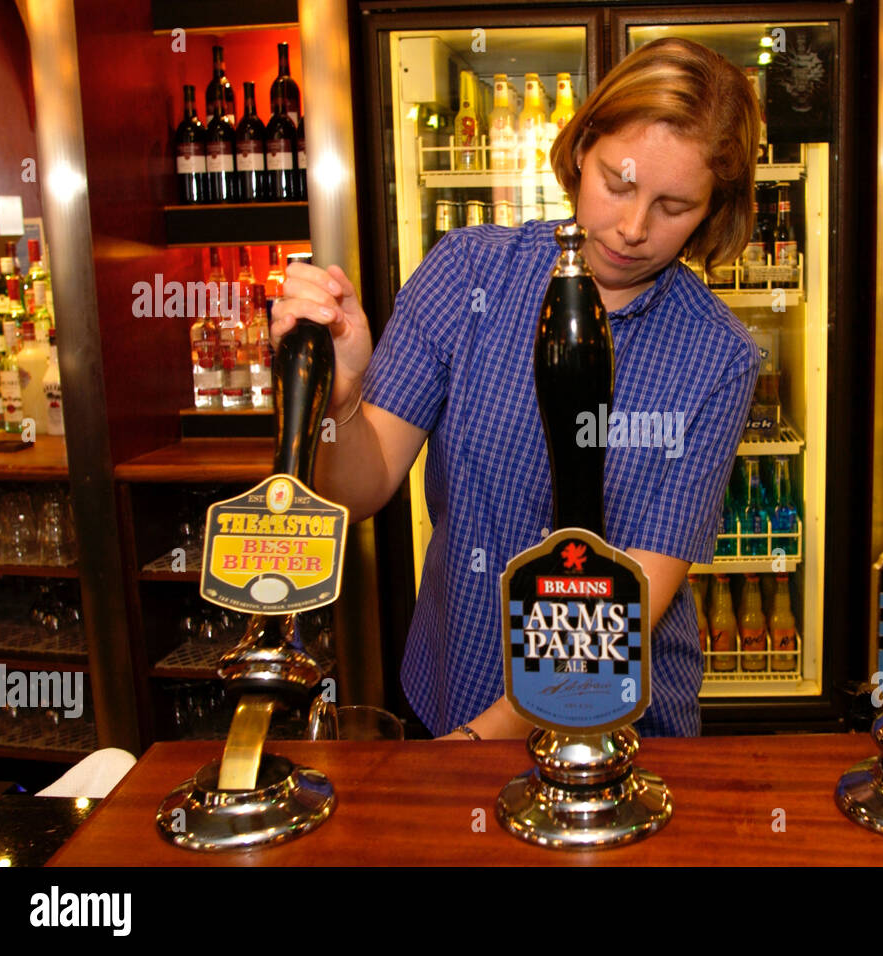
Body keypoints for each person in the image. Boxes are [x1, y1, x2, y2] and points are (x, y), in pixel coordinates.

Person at [270, 38, 762, 740]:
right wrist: (340, 400)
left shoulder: (717, 356)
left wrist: (476, 746)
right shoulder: (469, 272)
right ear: (581, 145)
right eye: (617, 184)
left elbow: (628, 605)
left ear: (713, 210)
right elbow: (359, 489)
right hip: (454, 683)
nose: (632, 228)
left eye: (673, 206)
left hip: (620, 722)